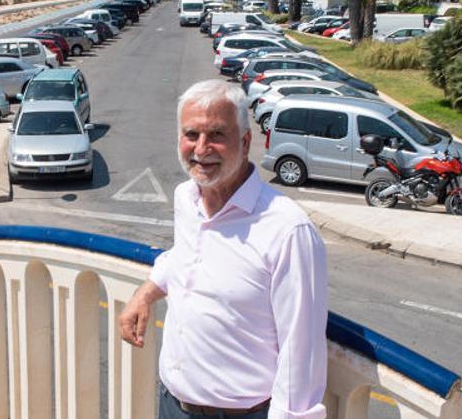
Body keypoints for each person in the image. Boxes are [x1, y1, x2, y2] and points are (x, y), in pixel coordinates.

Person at [117, 79, 329, 418]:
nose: (201, 149)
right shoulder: (187, 198)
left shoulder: (287, 230)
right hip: (173, 404)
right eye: (191, 135)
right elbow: (186, 256)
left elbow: (301, 353)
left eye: (216, 135)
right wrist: (145, 294)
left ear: (245, 142)